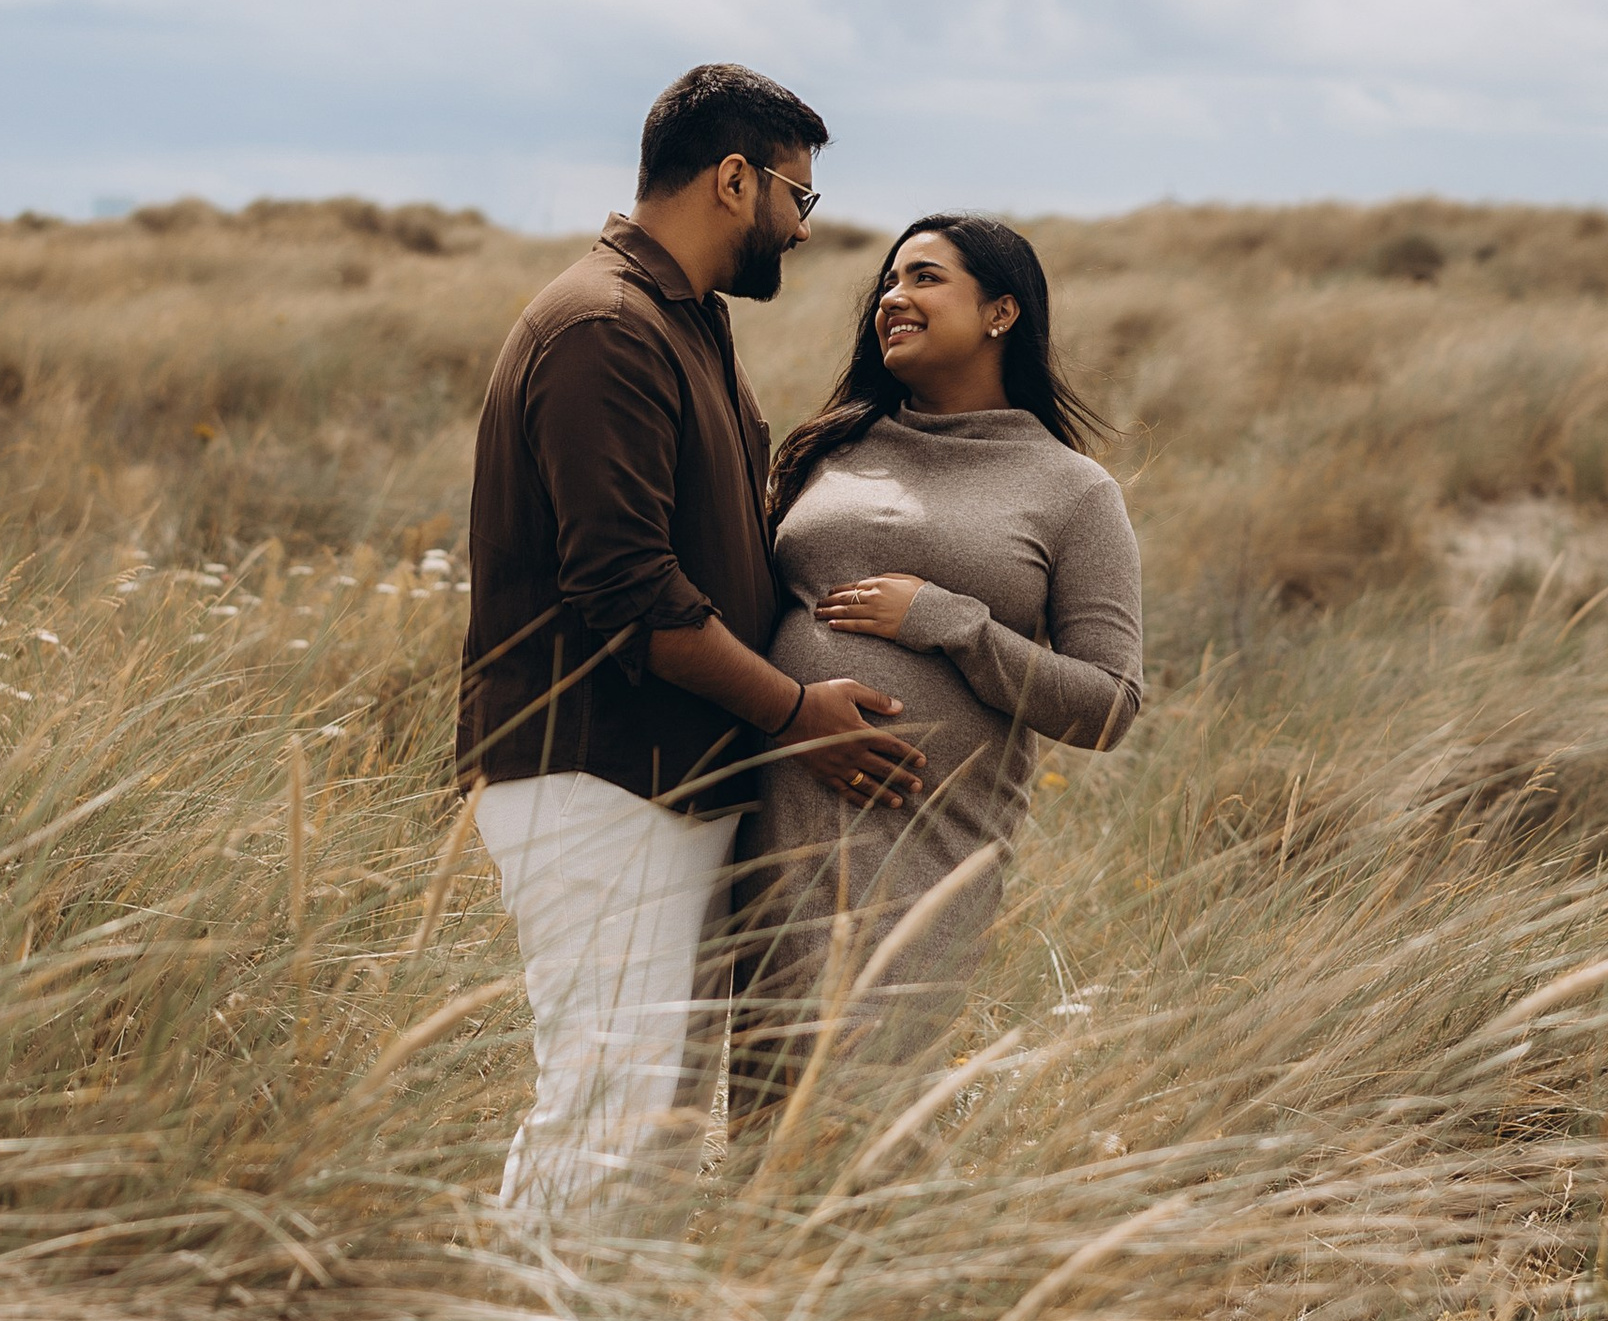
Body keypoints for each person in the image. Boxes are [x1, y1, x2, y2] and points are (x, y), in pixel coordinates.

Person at [457, 63, 924, 1220]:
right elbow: (628, 590)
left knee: (654, 1122)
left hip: (668, 778)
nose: (802, 228)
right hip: (597, 776)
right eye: (797, 198)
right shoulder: (602, 329)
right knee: (607, 1107)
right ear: (733, 180)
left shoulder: (683, 319)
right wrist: (794, 711)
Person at [737, 215, 1142, 1115]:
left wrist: (950, 623)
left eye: (925, 278)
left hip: (924, 844)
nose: (893, 297)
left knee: (866, 1103)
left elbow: (1109, 705)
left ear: (1002, 311)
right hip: (773, 823)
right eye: (888, 281)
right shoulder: (827, 451)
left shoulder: (1072, 490)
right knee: (769, 1104)